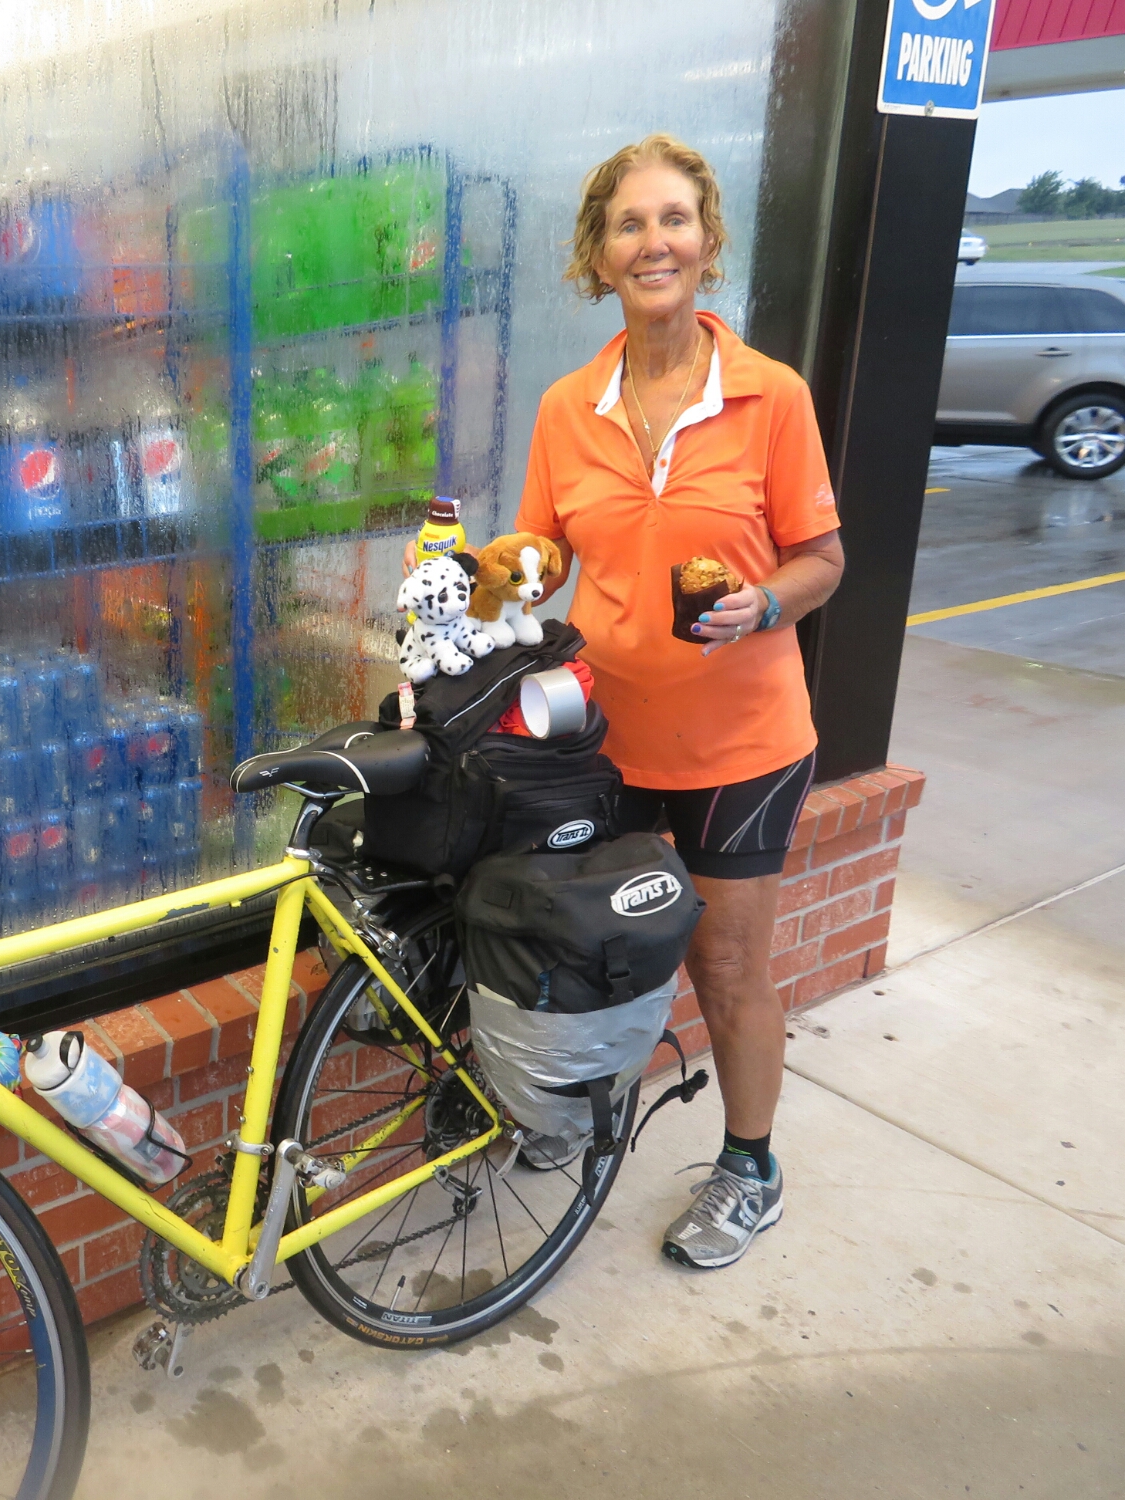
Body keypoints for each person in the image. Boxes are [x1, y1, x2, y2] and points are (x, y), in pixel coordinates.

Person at [413, 134, 844, 1268]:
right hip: (599, 743)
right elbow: (541, 552)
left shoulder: (770, 396)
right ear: (597, 257)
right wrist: (464, 600)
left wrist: (763, 603)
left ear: (706, 242)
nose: (653, 242)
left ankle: (749, 1167)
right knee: (584, 937)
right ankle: (574, 1113)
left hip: (742, 743)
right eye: (628, 224)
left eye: (673, 220)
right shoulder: (570, 406)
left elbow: (823, 558)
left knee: (725, 966)